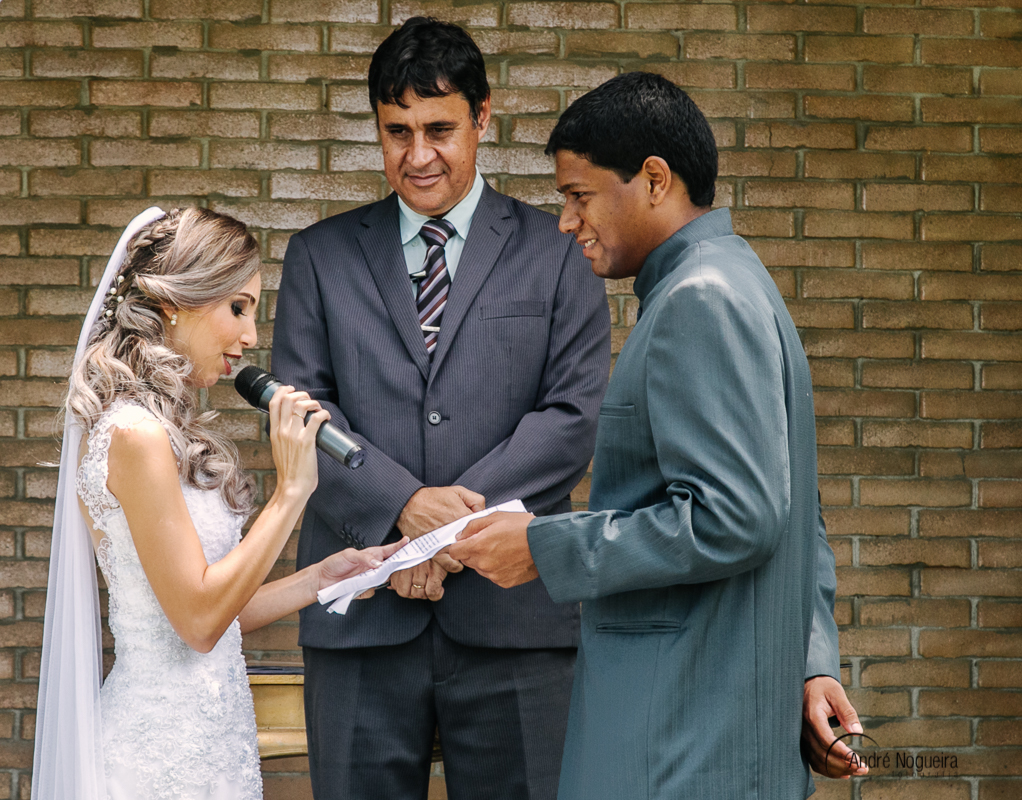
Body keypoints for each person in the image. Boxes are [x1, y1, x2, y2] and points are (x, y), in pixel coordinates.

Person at [450, 72, 866, 798]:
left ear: (653, 180)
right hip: (713, 726)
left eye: (578, 196)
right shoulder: (735, 281)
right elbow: (800, 509)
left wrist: (544, 547)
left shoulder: (699, 302)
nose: (566, 221)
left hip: (681, 738)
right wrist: (813, 660)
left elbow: (740, 517)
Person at [271, 16, 610, 800]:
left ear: (483, 118)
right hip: (361, 615)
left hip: (513, 620)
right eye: (397, 131)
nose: (417, 155)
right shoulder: (320, 257)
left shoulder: (559, 250)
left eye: (439, 129)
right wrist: (403, 510)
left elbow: (571, 417)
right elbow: (303, 414)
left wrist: (444, 532)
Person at [32, 206, 403, 800]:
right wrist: (293, 491)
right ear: (176, 301)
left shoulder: (162, 430)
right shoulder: (135, 435)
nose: (252, 338)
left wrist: (319, 578)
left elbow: (212, 608)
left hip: (216, 740)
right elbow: (199, 623)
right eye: (238, 308)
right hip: (159, 757)